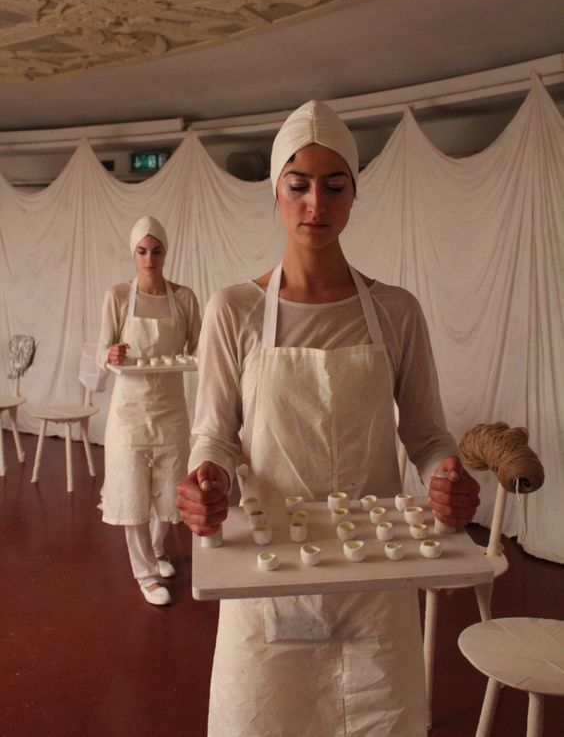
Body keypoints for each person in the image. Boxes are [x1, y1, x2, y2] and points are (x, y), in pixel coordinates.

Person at [176, 101, 480, 735]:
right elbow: (214, 433)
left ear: (353, 194)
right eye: (299, 185)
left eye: (334, 185)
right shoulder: (233, 310)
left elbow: (425, 435)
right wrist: (206, 474)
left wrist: (445, 475)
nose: (317, 203)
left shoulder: (397, 311)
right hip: (271, 571)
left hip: (375, 568)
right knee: (265, 716)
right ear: (276, 193)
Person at [97, 215, 201, 606]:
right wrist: (110, 354)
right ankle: (146, 574)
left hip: (171, 406)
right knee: (131, 489)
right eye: (142, 251)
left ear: (165, 252)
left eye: (156, 251)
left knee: (168, 484)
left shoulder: (184, 297)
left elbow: (198, 346)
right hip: (129, 411)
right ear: (133, 253)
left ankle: (158, 550)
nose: (149, 258)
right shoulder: (118, 297)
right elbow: (101, 348)